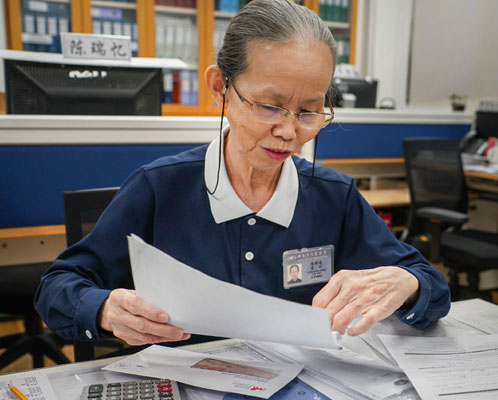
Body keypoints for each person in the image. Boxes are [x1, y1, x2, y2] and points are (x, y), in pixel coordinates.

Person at [35, 0, 450, 347]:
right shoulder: (159, 188)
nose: (289, 132)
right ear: (220, 89)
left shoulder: (333, 197)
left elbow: (430, 286)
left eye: (309, 111)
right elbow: (57, 284)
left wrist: (406, 283)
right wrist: (104, 309)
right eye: (269, 106)